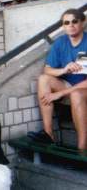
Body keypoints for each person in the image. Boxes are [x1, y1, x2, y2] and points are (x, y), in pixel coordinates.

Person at [28, 9, 87, 152]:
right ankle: (49, 135)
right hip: (69, 85)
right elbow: (47, 70)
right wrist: (64, 70)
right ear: (63, 26)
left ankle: (82, 149)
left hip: (83, 88)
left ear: (82, 22)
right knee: (43, 79)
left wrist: (60, 94)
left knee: (76, 94)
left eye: (74, 21)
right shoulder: (60, 42)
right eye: (66, 23)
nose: (71, 25)